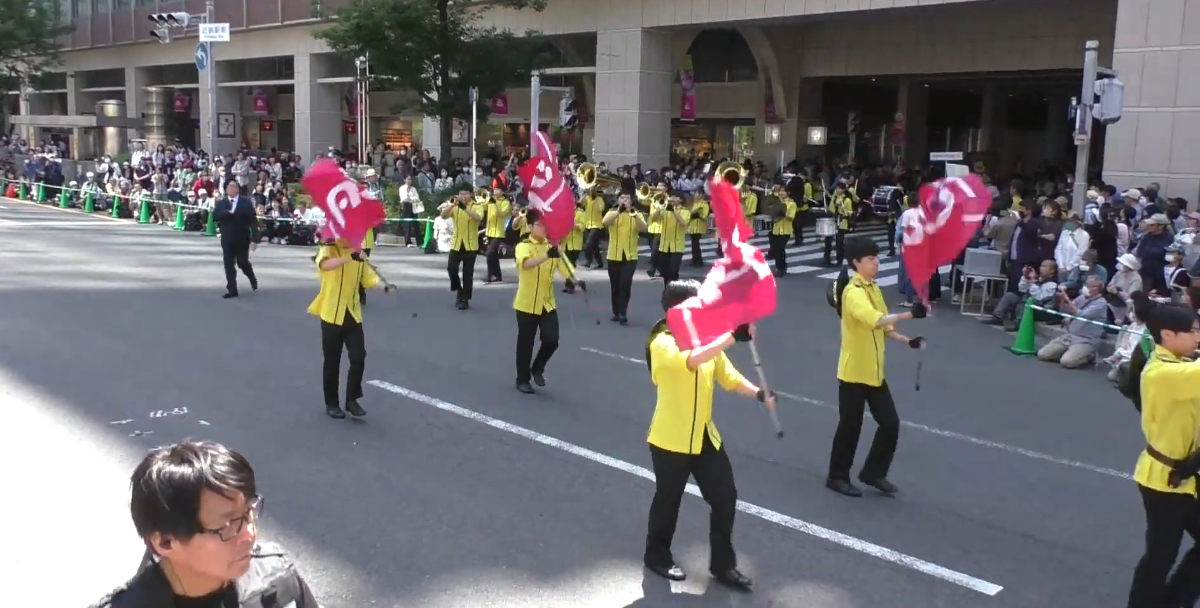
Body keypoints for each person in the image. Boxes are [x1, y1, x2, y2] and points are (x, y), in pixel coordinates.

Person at [643, 280, 776, 591]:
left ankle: (722, 566)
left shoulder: (704, 339)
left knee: (725, 498)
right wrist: (730, 336)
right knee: (668, 501)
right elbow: (692, 360)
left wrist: (759, 393)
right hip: (670, 439)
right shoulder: (662, 342)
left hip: (704, 438)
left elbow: (728, 376)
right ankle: (656, 556)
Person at [90, 440, 321, 608]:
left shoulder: (277, 578)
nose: (249, 534)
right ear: (165, 542)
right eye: (228, 525)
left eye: (248, 513)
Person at [827, 236, 927, 497]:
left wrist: (908, 341)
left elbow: (885, 327)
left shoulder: (874, 289)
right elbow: (875, 319)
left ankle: (873, 472)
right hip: (854, 373)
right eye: (871, 259)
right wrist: (910, 313)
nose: (876, 263)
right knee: (850, 427)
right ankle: (837, 476)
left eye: (877, 258)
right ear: (856, 262)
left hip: (874, 372)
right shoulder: (853, 293)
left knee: (890, 423)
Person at [1125, 304, 1200, 608]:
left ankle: (1174, 601)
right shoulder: (1164, 373)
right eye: (1192, 331)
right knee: (1160, 556)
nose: (1198, 337)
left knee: (1161, 555)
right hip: (1163, 481)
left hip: (1187, 476)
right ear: (1168, 335)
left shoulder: (1180, 364)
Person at [309, 236, 391, 418]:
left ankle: (351, 399)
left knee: (358, 356)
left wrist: (385, 287)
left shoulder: (359, 253)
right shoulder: (330, 248)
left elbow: (368, 279)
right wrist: (348, 257)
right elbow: (324, 265)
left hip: (352, 314)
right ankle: (331, 403)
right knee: (332, 361)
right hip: (331, 314)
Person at [512, 210, 574, 394]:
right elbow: (526, 264)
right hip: (527, 303)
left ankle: (537, 367)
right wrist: (547, 255)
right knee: (526, 344)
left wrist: (575, 281)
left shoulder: (553, 246)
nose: (545, 228)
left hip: (547, 303)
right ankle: (522, 380)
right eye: (540, 225)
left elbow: (566, 268)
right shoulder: (523, 246)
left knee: (552, 340)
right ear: (530, 226)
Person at [604, 190, 647, 325]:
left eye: (627, 198)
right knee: (615, 285)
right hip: (613, 255)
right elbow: (605, 222)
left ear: (631, 201)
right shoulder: (612, 212)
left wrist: (634, 215)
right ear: (618, 200)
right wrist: (619, 211)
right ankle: (616, 312)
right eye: (622, 198)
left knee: (626, 283)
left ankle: (623, 312)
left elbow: (644, 228)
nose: (624, 201)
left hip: (630, 256)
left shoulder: (637, 214)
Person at [212, 179, 258, 299]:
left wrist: (254, 239)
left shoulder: (245, 202)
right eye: (229, 186)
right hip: (227, 238)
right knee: (228, 264)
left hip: (242, 238)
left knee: (242, 262)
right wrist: (226, 213)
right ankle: (232, 289)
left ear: (238, 189)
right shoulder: (222, 203)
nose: (232, 188)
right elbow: (214, 216)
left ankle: (252, 277)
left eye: (234, 186)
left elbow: (253, 221)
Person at [440, 187, 483, 310]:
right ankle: (459, 290)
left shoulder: (477, 206)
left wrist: (464, 208)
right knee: (451, 269)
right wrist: (450, 205)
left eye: (465, 193)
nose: (463, 196)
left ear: (471, 194)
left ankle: (464, 299)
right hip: (456, 243)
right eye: (461, 194)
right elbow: (443, 216)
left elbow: (478, 218)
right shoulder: (454, 206)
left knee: (467, 274)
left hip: (471, 245)